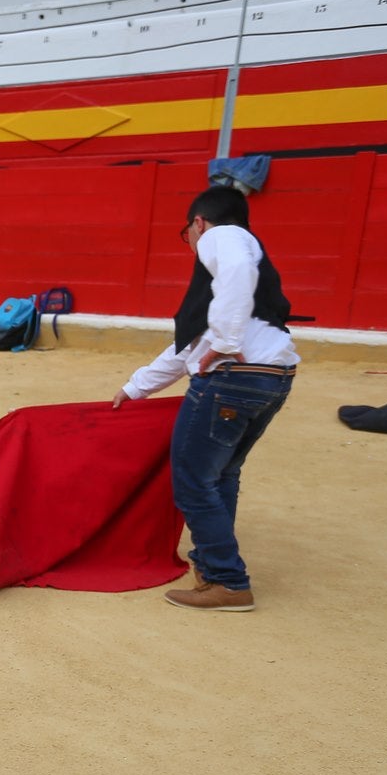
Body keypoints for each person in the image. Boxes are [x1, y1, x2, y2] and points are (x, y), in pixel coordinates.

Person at [112, 184, 298, 612]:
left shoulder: (222, 236)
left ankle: (227, 581)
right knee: (221, 477)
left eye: (188, 234)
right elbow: (191, 346)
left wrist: (228, 341)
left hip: (232, 379)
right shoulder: (248, 262)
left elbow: (216, 331)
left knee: (195, 482)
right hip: (272, 378)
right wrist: (137, 387)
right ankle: (213, 569)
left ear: (198, 223)